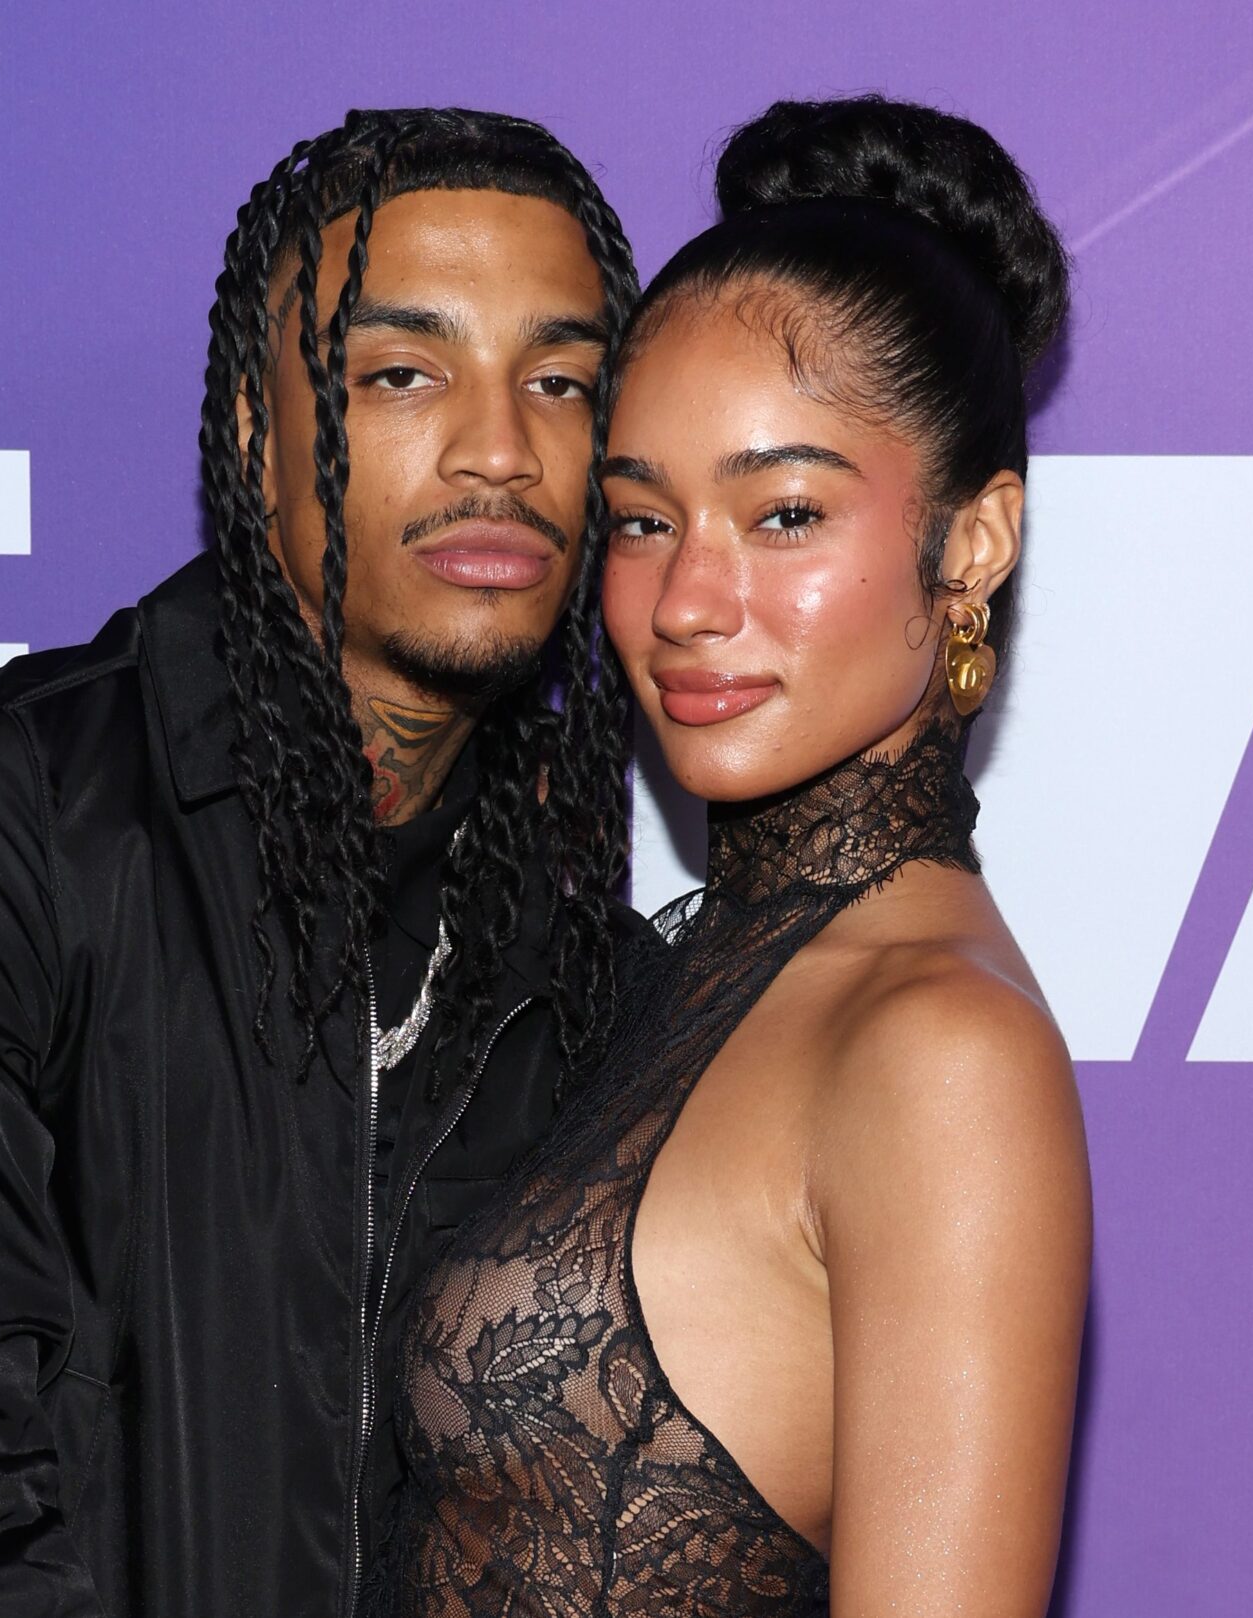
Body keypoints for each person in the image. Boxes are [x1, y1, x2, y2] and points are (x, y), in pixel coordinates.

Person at [0, 108, 642, 1618]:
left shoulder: (574, 934)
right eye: (401, 373)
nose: (502, 449)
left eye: (560, 382)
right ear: (253, 431)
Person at [375, 96, 1092, 1615]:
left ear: (972, 542)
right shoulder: (691, 969)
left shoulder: (938, 1052)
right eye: (643, 522)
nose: (689, 601)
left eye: (784, 512)